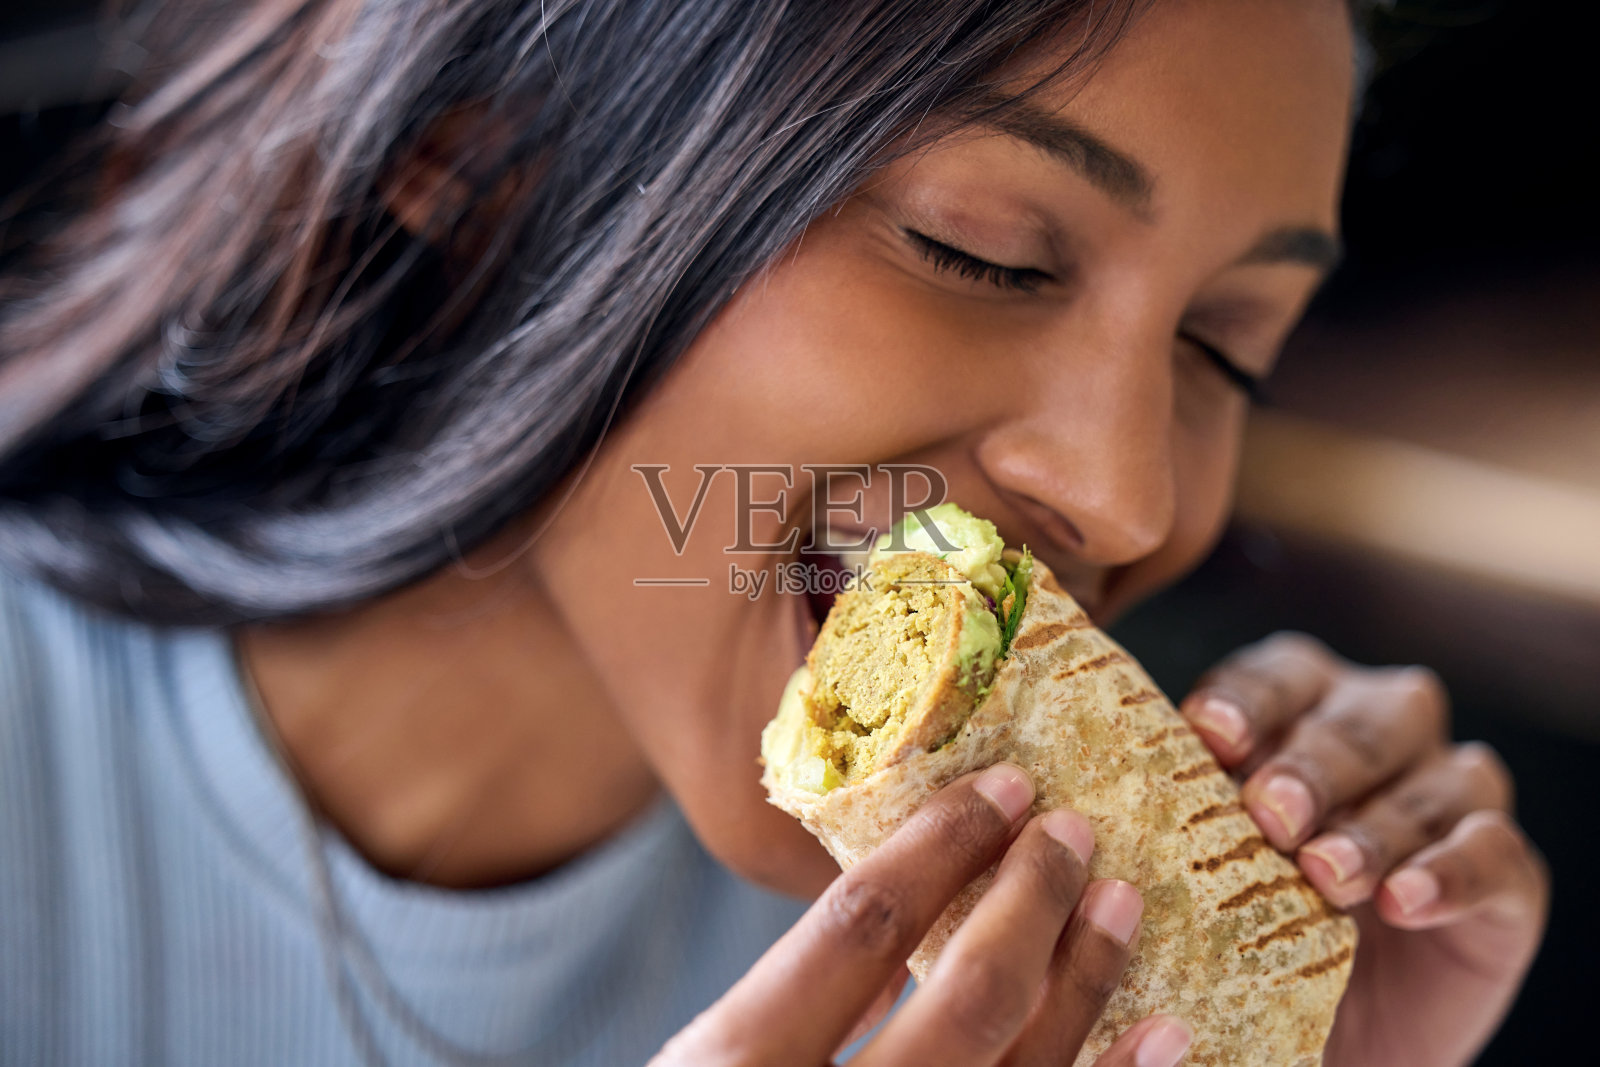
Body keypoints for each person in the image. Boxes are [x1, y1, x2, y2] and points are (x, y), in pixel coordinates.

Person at [0, 0, 1550, 1064]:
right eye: (982, 252)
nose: (1130, 497)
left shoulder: (1013, 994)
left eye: (1221, 345)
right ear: (478, 189)